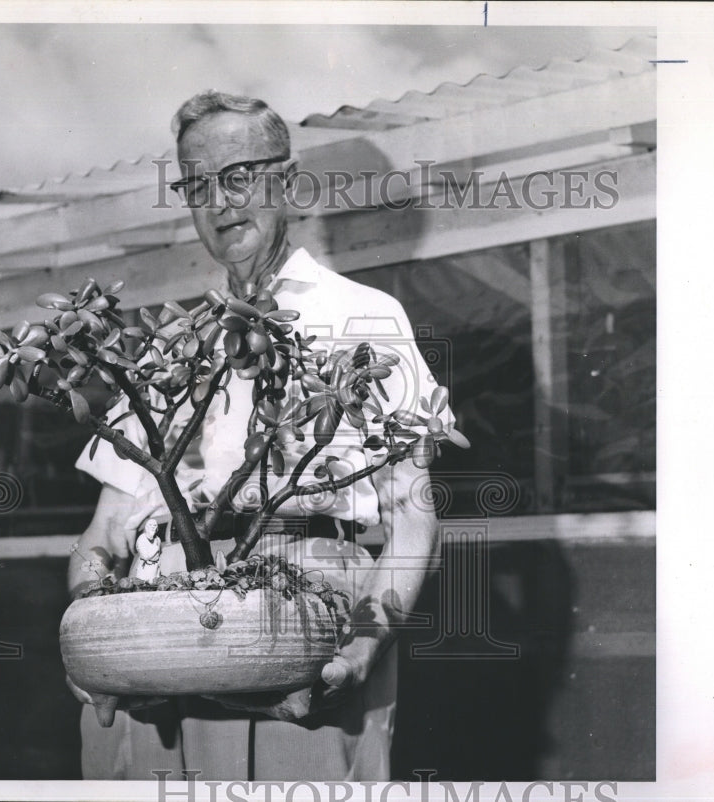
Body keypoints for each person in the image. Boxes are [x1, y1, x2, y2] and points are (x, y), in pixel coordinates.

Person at [65, 90, 452, 781]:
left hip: (302, 621)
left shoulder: (364, 318)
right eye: (197, 184)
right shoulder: (170, 346)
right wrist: (91, 633)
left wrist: (366, 644)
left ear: (289, 183)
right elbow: (105, 530)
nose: (220, 202)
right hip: (158, 639)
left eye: (240, 176)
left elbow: (413, 517)